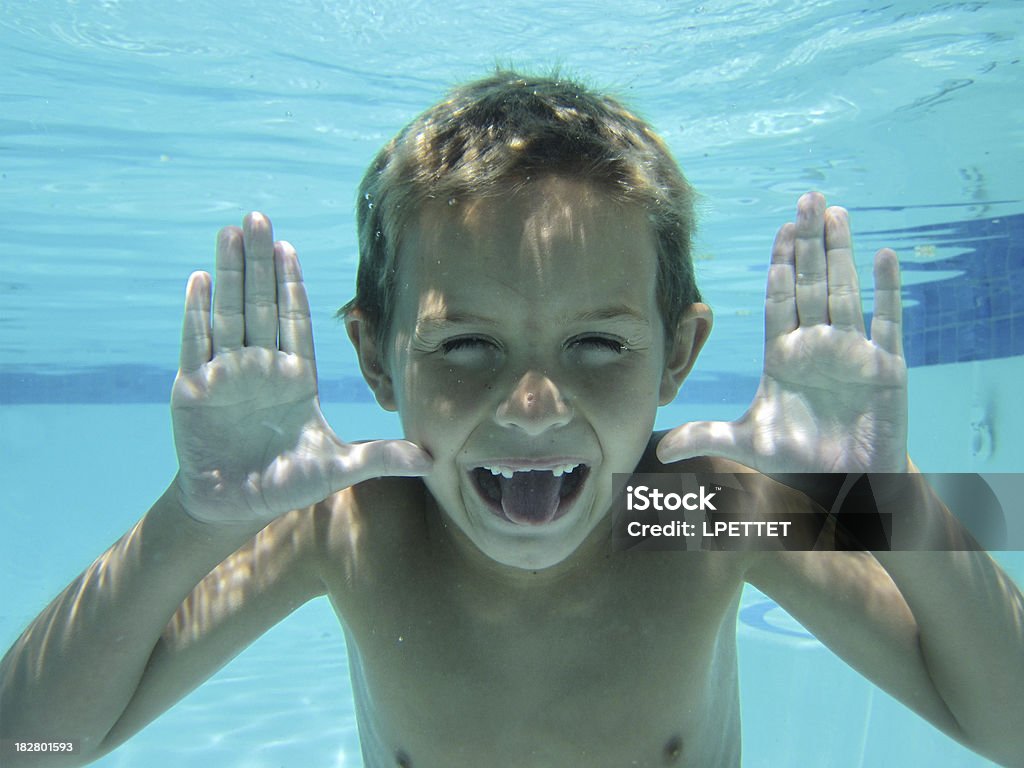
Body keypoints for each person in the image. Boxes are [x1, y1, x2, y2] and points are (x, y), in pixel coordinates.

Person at [2, 70, 1022, 768]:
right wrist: (193, 518)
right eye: (466, 345)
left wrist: (890, 498)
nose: (533, 407)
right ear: (373, 358)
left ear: (677, 356)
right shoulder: (357, 528)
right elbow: (32, 742)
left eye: (595, 344)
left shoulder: (701, 517)